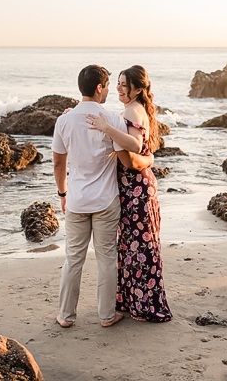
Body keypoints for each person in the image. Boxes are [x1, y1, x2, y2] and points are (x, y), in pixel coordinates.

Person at [52, 64, 154, 328]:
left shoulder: (64, 120)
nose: (111, 90)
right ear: (99, 88)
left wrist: (62, 192)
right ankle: (107, 316)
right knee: (107, 257)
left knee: (73, 257)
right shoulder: (113, 120)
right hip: (106, 201)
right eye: (109, 85)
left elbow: (58, 164)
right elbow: (128, 156)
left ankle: (65, 315)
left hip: (76, 200)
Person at [86, 65, 172, 322]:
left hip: (136, 189)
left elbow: (132, 158)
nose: (119, 89)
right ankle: (134, 301)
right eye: (119, 84)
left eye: (124, 85)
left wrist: (106, 129)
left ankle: (144, 306)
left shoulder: (133, 110)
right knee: (135, 245)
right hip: (135, 187)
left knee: (139, 246)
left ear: (138, 88)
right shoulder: (132, 109)